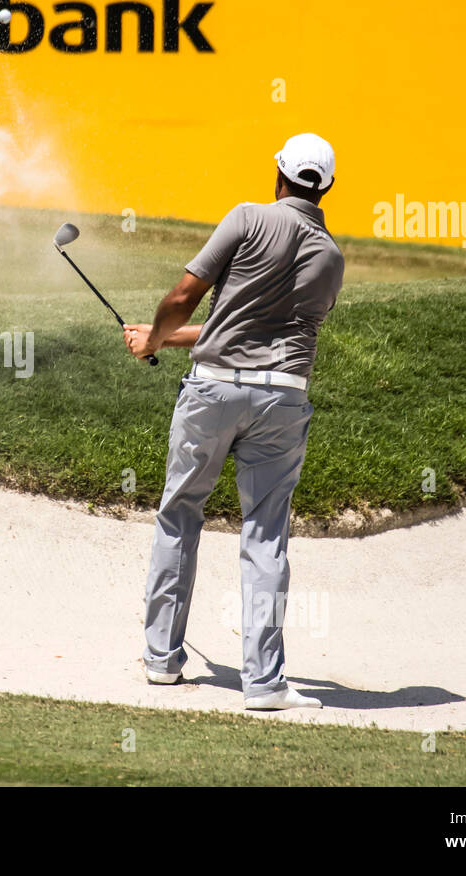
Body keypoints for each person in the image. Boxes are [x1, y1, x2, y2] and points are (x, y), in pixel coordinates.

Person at [123, 132, 344, 710]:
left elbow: (183, 296)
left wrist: (157, 333)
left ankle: (162, 660)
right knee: (266, 538)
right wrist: (159, 341)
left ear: (278, 175)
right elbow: (258, 331)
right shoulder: (331, 257)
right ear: (327, 190)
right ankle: (265, 684)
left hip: (213, 392)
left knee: (179, 512)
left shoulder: (247, 218)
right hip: (282, 399)